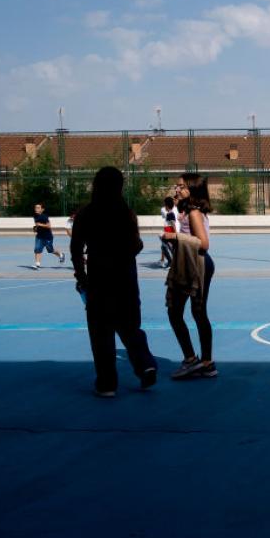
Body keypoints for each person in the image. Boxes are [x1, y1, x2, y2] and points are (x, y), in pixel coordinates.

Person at [70, 167, 157, 397]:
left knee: (101, 333)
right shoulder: (126, 213)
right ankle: (145, 363)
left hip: (99, 279)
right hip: (126, 278)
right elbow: (137, 245)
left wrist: (82, 277)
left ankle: (107, 384)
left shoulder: (86, 214)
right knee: (130, 326)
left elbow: (76, 249)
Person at [162, 173, 217, 380]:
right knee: (195, 312)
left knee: (180, 312)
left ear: (192, 189)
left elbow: (203, 243)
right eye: (176, 186)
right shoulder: (187, 210)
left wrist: (174, 236)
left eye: (181, 186)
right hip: (190, 263)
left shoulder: (194, 212)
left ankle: (195, 360)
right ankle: (205, 362)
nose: (177, 189)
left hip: (197, 264)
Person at [32, 202, 65, 268]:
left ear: (42, 209)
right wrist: (36, 228)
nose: (36, 209)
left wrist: (40, 225)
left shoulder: (44, 217)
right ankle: (37, 264)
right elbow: (37, 224)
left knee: (50, 250)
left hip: (47, 237)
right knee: (37, 249)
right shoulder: (35, 215)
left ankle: (61, 254)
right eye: (35, 207)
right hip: (39, 236)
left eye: (38, 208)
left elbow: (49, 226)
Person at [158, 196, 178, 269]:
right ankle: (171, 261)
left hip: (170, 232)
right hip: (167, 231)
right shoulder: (169, 213)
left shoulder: (170, 213)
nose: (164, 206)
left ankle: (172, 262)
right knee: (164, 247)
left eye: (164, 205)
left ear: (167, 205)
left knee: (169, 247)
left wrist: (175, 233)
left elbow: (173, 224)